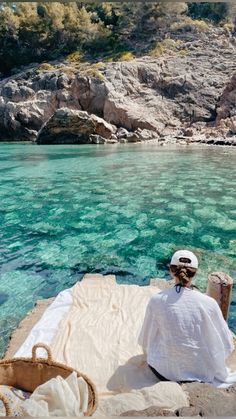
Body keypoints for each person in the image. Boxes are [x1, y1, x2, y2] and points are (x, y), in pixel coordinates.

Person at [138, 249, 235, 386]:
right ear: (195, 272)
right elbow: (226, 343)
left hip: (163, 371)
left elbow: (145, 339)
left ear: (171, 271)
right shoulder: (209, 303)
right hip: (201, 373)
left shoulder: (156, 300)